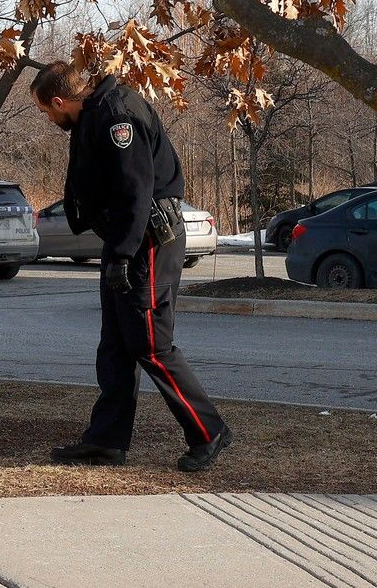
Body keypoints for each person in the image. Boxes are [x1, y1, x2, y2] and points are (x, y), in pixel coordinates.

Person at [30, 61, 232, 472]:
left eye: (46, 112)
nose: (49, 120)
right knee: (115, 346)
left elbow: (136, 191)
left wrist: (122, 255)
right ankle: (106, 441)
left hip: (149, 242)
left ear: (58, 101)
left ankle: (208, 431)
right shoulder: (93, 113)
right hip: (125, 241)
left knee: (150, 345)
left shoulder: (116, 115)